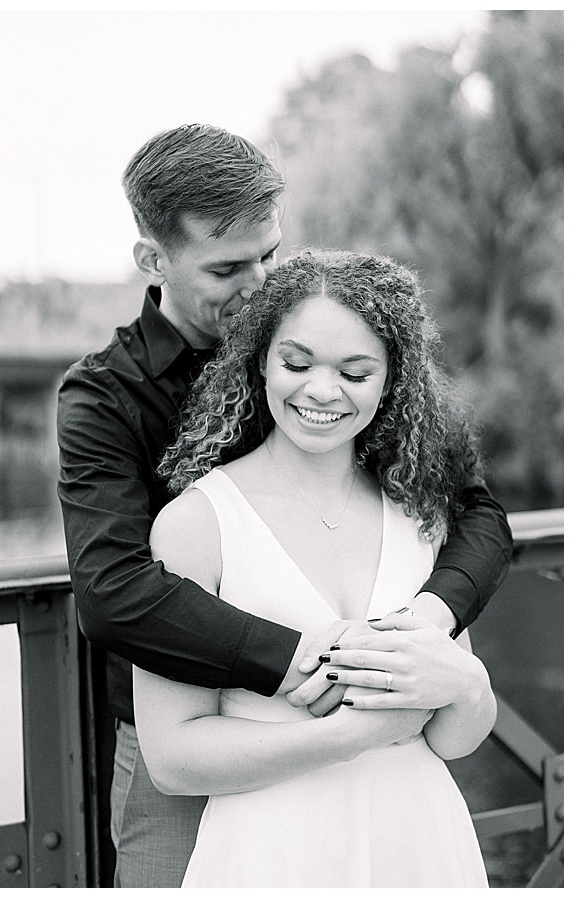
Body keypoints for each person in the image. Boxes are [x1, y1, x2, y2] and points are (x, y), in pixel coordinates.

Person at [55, 125, 512, 886]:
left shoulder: (316, 347)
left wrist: (431, 627)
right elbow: (112, 594)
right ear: (153, 259)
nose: (262, 282)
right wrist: (305, 659)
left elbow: (476, 515)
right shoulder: (104, 396)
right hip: (189, 736)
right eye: (230, 267)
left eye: (272, 254)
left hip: (379, 766)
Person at [134, 249, 494, 886]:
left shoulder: (420, 511)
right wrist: (350, 736)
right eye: (297, 363)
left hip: (421, 847)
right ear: (261, 362)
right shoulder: (197, 526)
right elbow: (171, 756)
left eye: (355, 373)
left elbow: (451, 738)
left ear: (391, 381)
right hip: (270, 856)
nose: (322, 391)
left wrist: (468, 687)